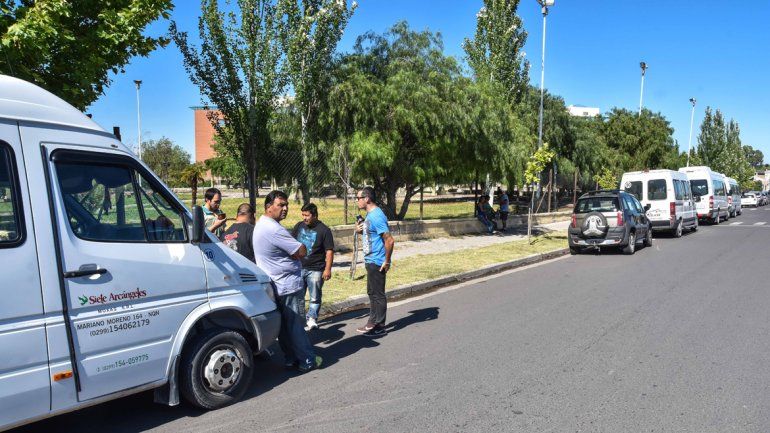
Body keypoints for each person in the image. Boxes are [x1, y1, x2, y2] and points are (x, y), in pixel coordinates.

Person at [252, 190, 321, 372]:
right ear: (268, 207)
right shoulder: (274, 229)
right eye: (280, 205)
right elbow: (301, 251)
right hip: (288, 284)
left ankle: (291, 358)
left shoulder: (262, 224)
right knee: (296, 325)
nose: (285, 208)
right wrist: (301, 246)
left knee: (284, 326)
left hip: (276, 284)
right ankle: (307, 360)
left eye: (286, 205)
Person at [355, 187, 395, 336]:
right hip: (370, 259)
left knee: (378, 294)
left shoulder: (377, 216)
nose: (357, 201)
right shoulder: (369, 216)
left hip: (377, 261)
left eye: (358, 198)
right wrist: (359, 229)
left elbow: (389, 240)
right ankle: (372, 322)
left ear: (367, 199)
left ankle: (380, 326)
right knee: (372, 292)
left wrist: (387, 261)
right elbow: (370, 232)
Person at [292, 203, 334, 331]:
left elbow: (329, 251)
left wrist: (327, 269)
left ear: (315, 215)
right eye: (303, 215)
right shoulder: (299, 226)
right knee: (298, 296)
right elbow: (291, 243)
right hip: (299, 267)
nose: (304, 218)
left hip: (316, 268)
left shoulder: (324, 230)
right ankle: (298, 320)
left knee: (315, 296)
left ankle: (312, 318)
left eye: (307, 215)